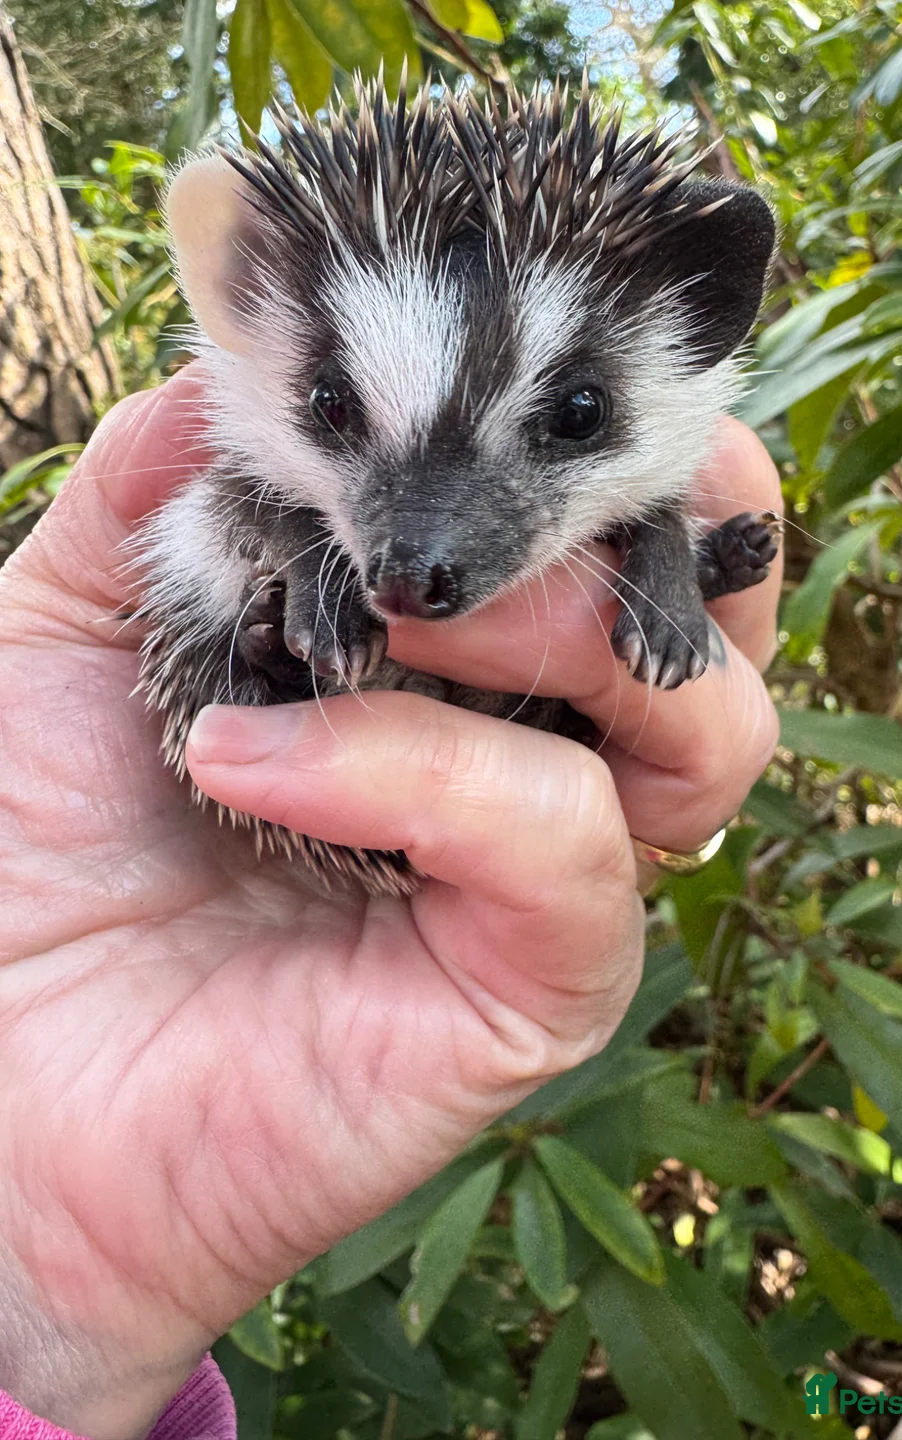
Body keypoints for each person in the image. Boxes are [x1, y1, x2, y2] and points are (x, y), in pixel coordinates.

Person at [0, 366, 782, 1440]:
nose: (418, 556)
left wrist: (669, 568)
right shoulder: (247, 455)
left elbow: (636, 509)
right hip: (274, 684)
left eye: (572, 415)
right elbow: (242, 506)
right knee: (256, 524)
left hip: (423, 744)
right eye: (339, 409)